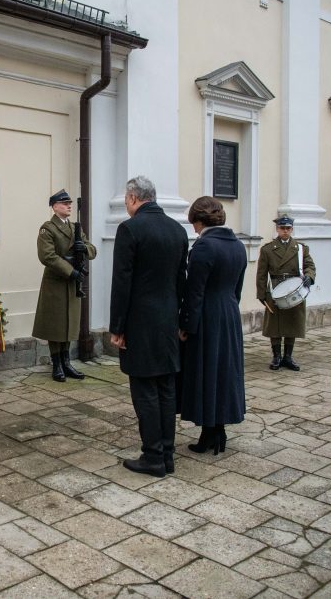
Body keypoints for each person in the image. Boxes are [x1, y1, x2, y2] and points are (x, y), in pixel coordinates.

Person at [109, 176, 188, 477]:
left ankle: (153, 456)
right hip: (167, 319)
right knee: (166, 388)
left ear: (132, 198)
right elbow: (181, 280)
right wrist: (179, 318)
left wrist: (117, 327)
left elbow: (122, 282)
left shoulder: (130, 229)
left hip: (139, 323)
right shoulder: (177, 230)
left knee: (144, 389)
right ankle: (167, 454)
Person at [178, 197, 247, 455]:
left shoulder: (204, 246)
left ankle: (210, 432)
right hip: (229, 312)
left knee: (206, 372)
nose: (193, 228)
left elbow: (194, 292)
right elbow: (237, 290)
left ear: (200, 220)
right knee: (224, 373)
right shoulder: (238, 245)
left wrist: (186, 324)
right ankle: (217, 430)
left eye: (194, 223)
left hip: (207, 315)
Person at [32, 189, 97, 382]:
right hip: (57, 282)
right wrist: (71, 271)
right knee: (55, 324)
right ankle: (57, 364)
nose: (69, 206)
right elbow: (47, 256)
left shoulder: (75, 228)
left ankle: (67, 362)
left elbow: (92, 249)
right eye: (64, 203)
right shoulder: (47, 228)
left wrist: (83, 248)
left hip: (72, 283)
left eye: (70, 203)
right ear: (54, 206)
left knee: (69, 322)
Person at [255, 215, 316, 371]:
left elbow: (310, 265)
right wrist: (261, 294)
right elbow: (261, 274)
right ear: (277, 229)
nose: (285, 231)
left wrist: (309, 276)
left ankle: (288, 357)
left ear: (292, 229)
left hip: (295, 289)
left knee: (292, 323)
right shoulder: (267, 249)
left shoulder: (301, 248)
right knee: (275, 325)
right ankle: (276, 357)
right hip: (275, 289)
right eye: (282, 228)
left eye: (288, 228)